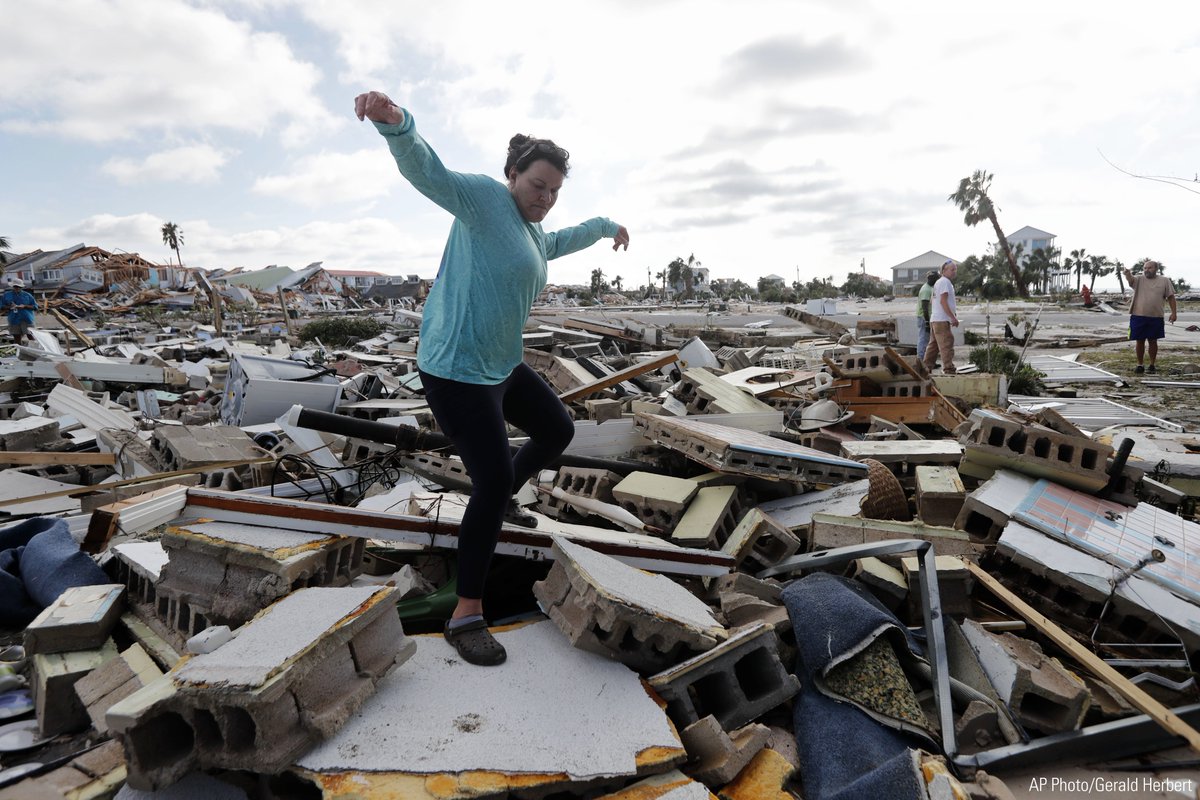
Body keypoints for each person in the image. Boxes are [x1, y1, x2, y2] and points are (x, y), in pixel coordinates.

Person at [355, 90, 630, 666]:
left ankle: (502, 498)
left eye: (555, 190)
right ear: (511, 176)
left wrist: (607, 225)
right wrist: (397, 124)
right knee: (491, 478)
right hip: (455, 370)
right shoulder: (482, 199)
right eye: (537, 186)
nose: (546, 198)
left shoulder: (534, 234)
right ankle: (467, 613)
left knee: (556, 431)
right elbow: (429, 172)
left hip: (500, 364)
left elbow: (561, 240)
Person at [1122, 260, 1177, 375]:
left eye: (1150, 268)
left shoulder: (1164, 281)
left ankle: (1152, 365)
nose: (1147, 270)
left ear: (1156, 269)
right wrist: (1127, 274)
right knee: (1139, 341)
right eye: (1145, 268)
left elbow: (1171, 297)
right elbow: (1130, 280)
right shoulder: (1139, 279)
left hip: (1156, 316)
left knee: (1153, 341)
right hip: (1138, 315)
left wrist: (1174, 313)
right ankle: (1140, 364)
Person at [922, 260, 959, 375]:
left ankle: (925, 369)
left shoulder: (940, 282)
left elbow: (935, 302)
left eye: (955, 270)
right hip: (941, 320)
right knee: (946, 343)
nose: (954, 272)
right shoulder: (944, 282)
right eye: (952, 269)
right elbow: (943, 301)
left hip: (936, 319)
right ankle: (949, 369)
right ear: (944, 270)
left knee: (933, 346)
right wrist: (953, 317)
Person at [1, 279, 36, 346]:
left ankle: (36, 351)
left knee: (31, 336)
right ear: (13, 287)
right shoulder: (6, 295)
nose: (17, 288)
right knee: (17, 338)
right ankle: (19, 353)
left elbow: (35, 307)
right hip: (14, 319)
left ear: (21, 287)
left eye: (18, 287)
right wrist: (10, 307)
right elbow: (2, 306)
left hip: (27, 319)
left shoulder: (27, 295)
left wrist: (24, 306)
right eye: (15, 286)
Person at [916, 270, 938, 359]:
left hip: (928, 317)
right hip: (923, 317)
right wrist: (927, 322)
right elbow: (924, 307)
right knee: (923, 339)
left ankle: (928, 359)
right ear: (932, 278)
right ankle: (921, 360)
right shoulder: (926, 289)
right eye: (936, 278)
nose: (937, 280)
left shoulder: (930, 288)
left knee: (929, 340)